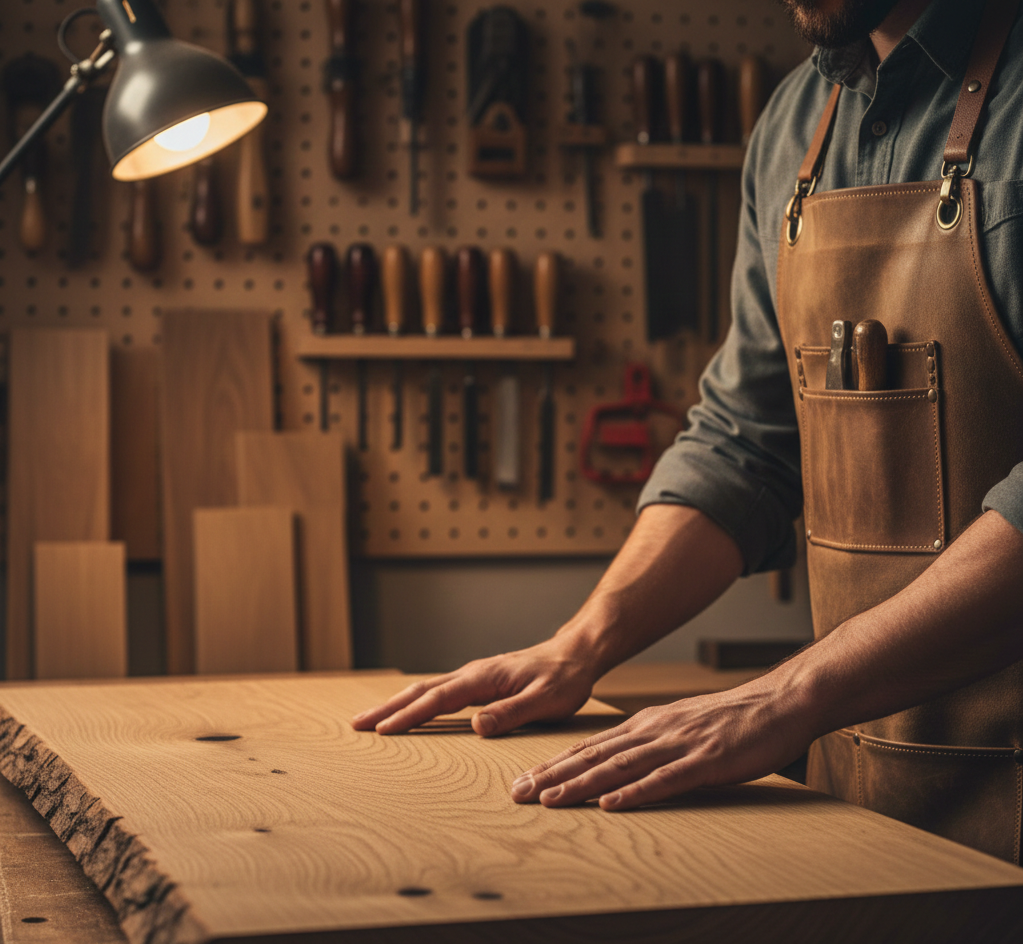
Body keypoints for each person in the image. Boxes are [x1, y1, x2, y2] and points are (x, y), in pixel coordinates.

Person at [355, 0, 1023, 864]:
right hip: (860, 791)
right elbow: (744, 443)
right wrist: (579, 646)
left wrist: (789, 693)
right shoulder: (794, 123)